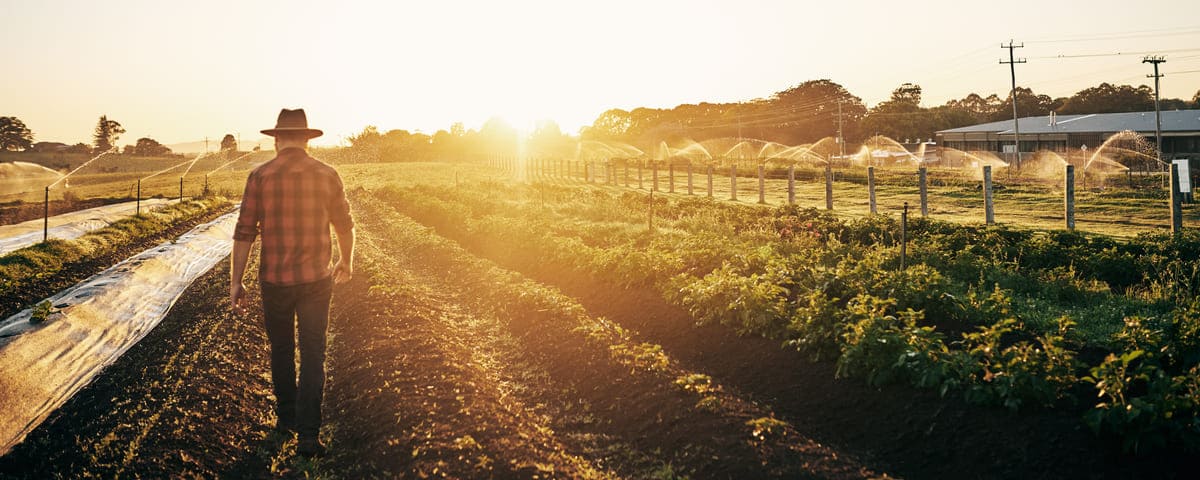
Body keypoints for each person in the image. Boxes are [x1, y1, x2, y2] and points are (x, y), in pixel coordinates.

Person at [229, 108, 354, 457]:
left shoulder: (260, 176)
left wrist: (235, 282)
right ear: (307, 140)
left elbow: (244, 233)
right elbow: (345, 225)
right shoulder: (327, 174)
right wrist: (347, 260)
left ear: (277, 139)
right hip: (316, 278)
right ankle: (309, 436)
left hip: (274, 280)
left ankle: (285, 422)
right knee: (314, 352)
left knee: (282, 350)